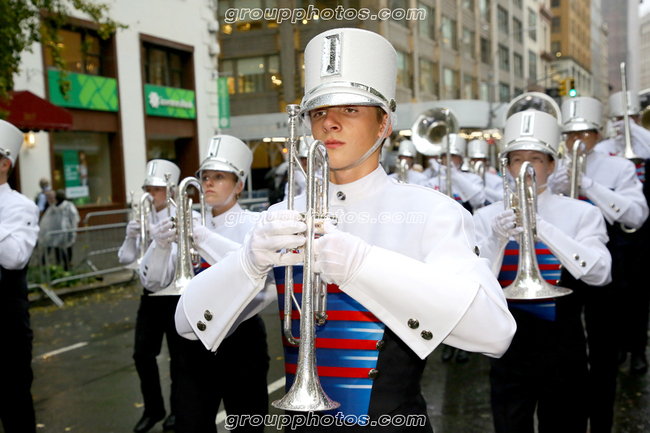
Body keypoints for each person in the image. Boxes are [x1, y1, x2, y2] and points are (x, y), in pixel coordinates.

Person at [175, 28, 516, 432]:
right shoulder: (284, 214)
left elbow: (495, 332)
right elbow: (186, 325)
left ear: (384, 123)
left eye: (351, 109)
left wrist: (362, 265)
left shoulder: (430, 212)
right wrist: (248, 263)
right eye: (318, 112)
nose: (330, 123)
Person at [473, 108, 612, 433]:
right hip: (507, 344)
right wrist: (496, 240)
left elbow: (601, 274)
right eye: (517, 159)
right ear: (507, 166)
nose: (526, 167)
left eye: (535, 159)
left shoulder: (581, 213)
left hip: (563, 343)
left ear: (551, 165)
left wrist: (542, 228)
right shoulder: (485, 216)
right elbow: (473, 284)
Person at [146, 135, 268, 432]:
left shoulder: (255, 223)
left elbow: (253, 268)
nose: (208, 183)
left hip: (241, 338)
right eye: (205, 177)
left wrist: (202, 237)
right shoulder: (190, 219)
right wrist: (159, 246)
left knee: (247, 425)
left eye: (219, 177)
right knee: (190, 424)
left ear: (239, 186)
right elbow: (153, 281)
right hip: (194, 339)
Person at [548, 97, 648, 431]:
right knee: (565, 346)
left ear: (597, 134)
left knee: (604, 347)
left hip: (609, 261)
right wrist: (554, 187)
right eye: (569, 134)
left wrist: (588, 186)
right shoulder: (554, 166)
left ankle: (602, 421)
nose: (575, 141)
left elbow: (636, 215)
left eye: (583, 133)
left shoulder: (618, 167)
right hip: (563, 263)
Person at [129, 159, 182, 433]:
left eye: (157, 189)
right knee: (142, 354)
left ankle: (177, 410)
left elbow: (172, 266)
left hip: (175, 295)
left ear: (171, 190)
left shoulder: (183, 216)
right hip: (150, 294)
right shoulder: (143, 216)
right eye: (148, 189)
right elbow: (127, 259)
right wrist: (131, 237)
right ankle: (153, 408)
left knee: (179, 358)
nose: (151, 194)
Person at [0, 119, 40, 433]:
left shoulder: (21, 206)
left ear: (4, 164)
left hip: (6, 327)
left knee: (14, 404)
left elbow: (14, 258)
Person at [422, 133, 487, 213]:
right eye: (445, 156)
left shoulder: (473, 179)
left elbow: (478, 202)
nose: (448, 158)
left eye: (452, 155)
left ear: (461, 159)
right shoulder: (432, 182)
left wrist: (456, 176)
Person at [596, 91, 650, 158]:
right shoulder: (603, 147)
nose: (627, 122)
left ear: (638, 118)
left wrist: (634, 128)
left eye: (632, 117)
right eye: (621, 118)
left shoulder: (644, 143)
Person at [39, 189, 80, 271]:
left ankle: (58, 263)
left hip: (55, 231)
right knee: (66, 247)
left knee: (57, 247)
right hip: (66, 230)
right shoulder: (68, 205)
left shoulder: (53, 207)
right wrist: (73, 228)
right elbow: (74, 217)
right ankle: (67, 264)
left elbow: (47, 220)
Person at [466, 139, 503, 204]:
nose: (477, 162)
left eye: (480, 159)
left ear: (485, 161)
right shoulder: (465, 178)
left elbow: (501, 197)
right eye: (474, 159)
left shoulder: (496, 180)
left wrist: (482, 189)